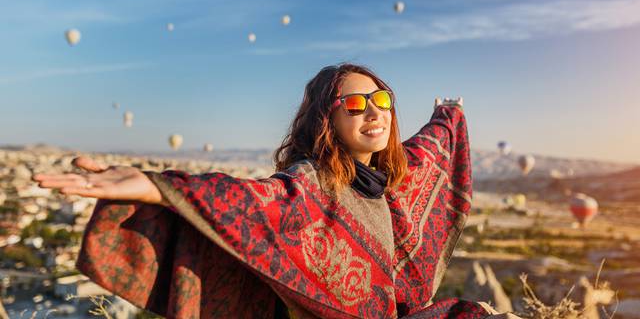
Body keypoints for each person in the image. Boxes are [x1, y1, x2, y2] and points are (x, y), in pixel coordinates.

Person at [34, 64, 512, 318]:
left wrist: (448, 114)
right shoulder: (314, 182)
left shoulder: (392, 182)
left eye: (382, 99)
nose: (375, 112)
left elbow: (432, 149)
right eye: (355, 103)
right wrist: (155, 186)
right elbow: (245, 202)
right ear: (328, 118)